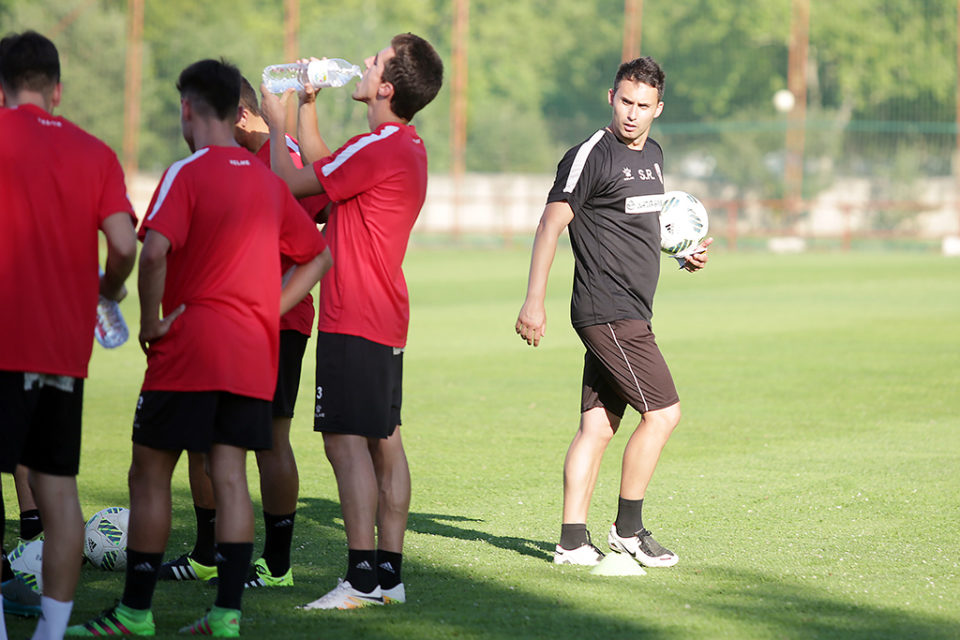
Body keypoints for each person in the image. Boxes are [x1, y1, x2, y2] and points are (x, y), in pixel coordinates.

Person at [66, 58, 330, 637]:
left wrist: (152, 322)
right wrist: (269, 310)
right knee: (232, 473)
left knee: (150, 472)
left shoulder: (186, 174)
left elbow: (154, 251)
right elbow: (316, 254)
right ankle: (226, 616)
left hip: (189, 349)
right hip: (252, 351)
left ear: (189, 108)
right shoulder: (268, 178)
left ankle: (135, 614)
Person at [259, 32, 443, 609]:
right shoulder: (400, 145)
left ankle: (360, 579)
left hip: (353, 313)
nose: (362, 64)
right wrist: (309, 104)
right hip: (385, 315)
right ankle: (389, 576)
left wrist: (276, 121)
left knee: (345, 443)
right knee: (385, 441)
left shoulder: (377, 147)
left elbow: (289, 183)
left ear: (385, 87)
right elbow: (325, 165)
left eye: (375, 62)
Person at [515, 56, 712, 568]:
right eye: (625, 101)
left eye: (643, 105)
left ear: (658, 109)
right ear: (611, 97)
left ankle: (572, 541)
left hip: (630, 311)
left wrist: (682, 253)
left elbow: (643, 225)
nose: (632, 113)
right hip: (608, 310)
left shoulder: (654, 156)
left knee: (598, 426)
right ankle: (629, 529)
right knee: (664, 413)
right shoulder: (589, 155)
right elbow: (549, 224)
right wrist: (534, 300)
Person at [159, 75, 330, 588]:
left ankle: (277, 566)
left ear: (237, 114)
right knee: (203, 440)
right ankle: (207, 553)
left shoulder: (284, 155)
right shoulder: (232, 162)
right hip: (222, 325)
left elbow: (324, 215)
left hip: (278, 322)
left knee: (269, 440)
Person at [0, 30, 138, 640]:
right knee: (58, 491)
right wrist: (107, 290)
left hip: (4, 338)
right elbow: (125, 244)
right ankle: (52, 635)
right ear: (57, 89)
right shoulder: (95, 152)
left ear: (3, 88)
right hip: (62, 348)